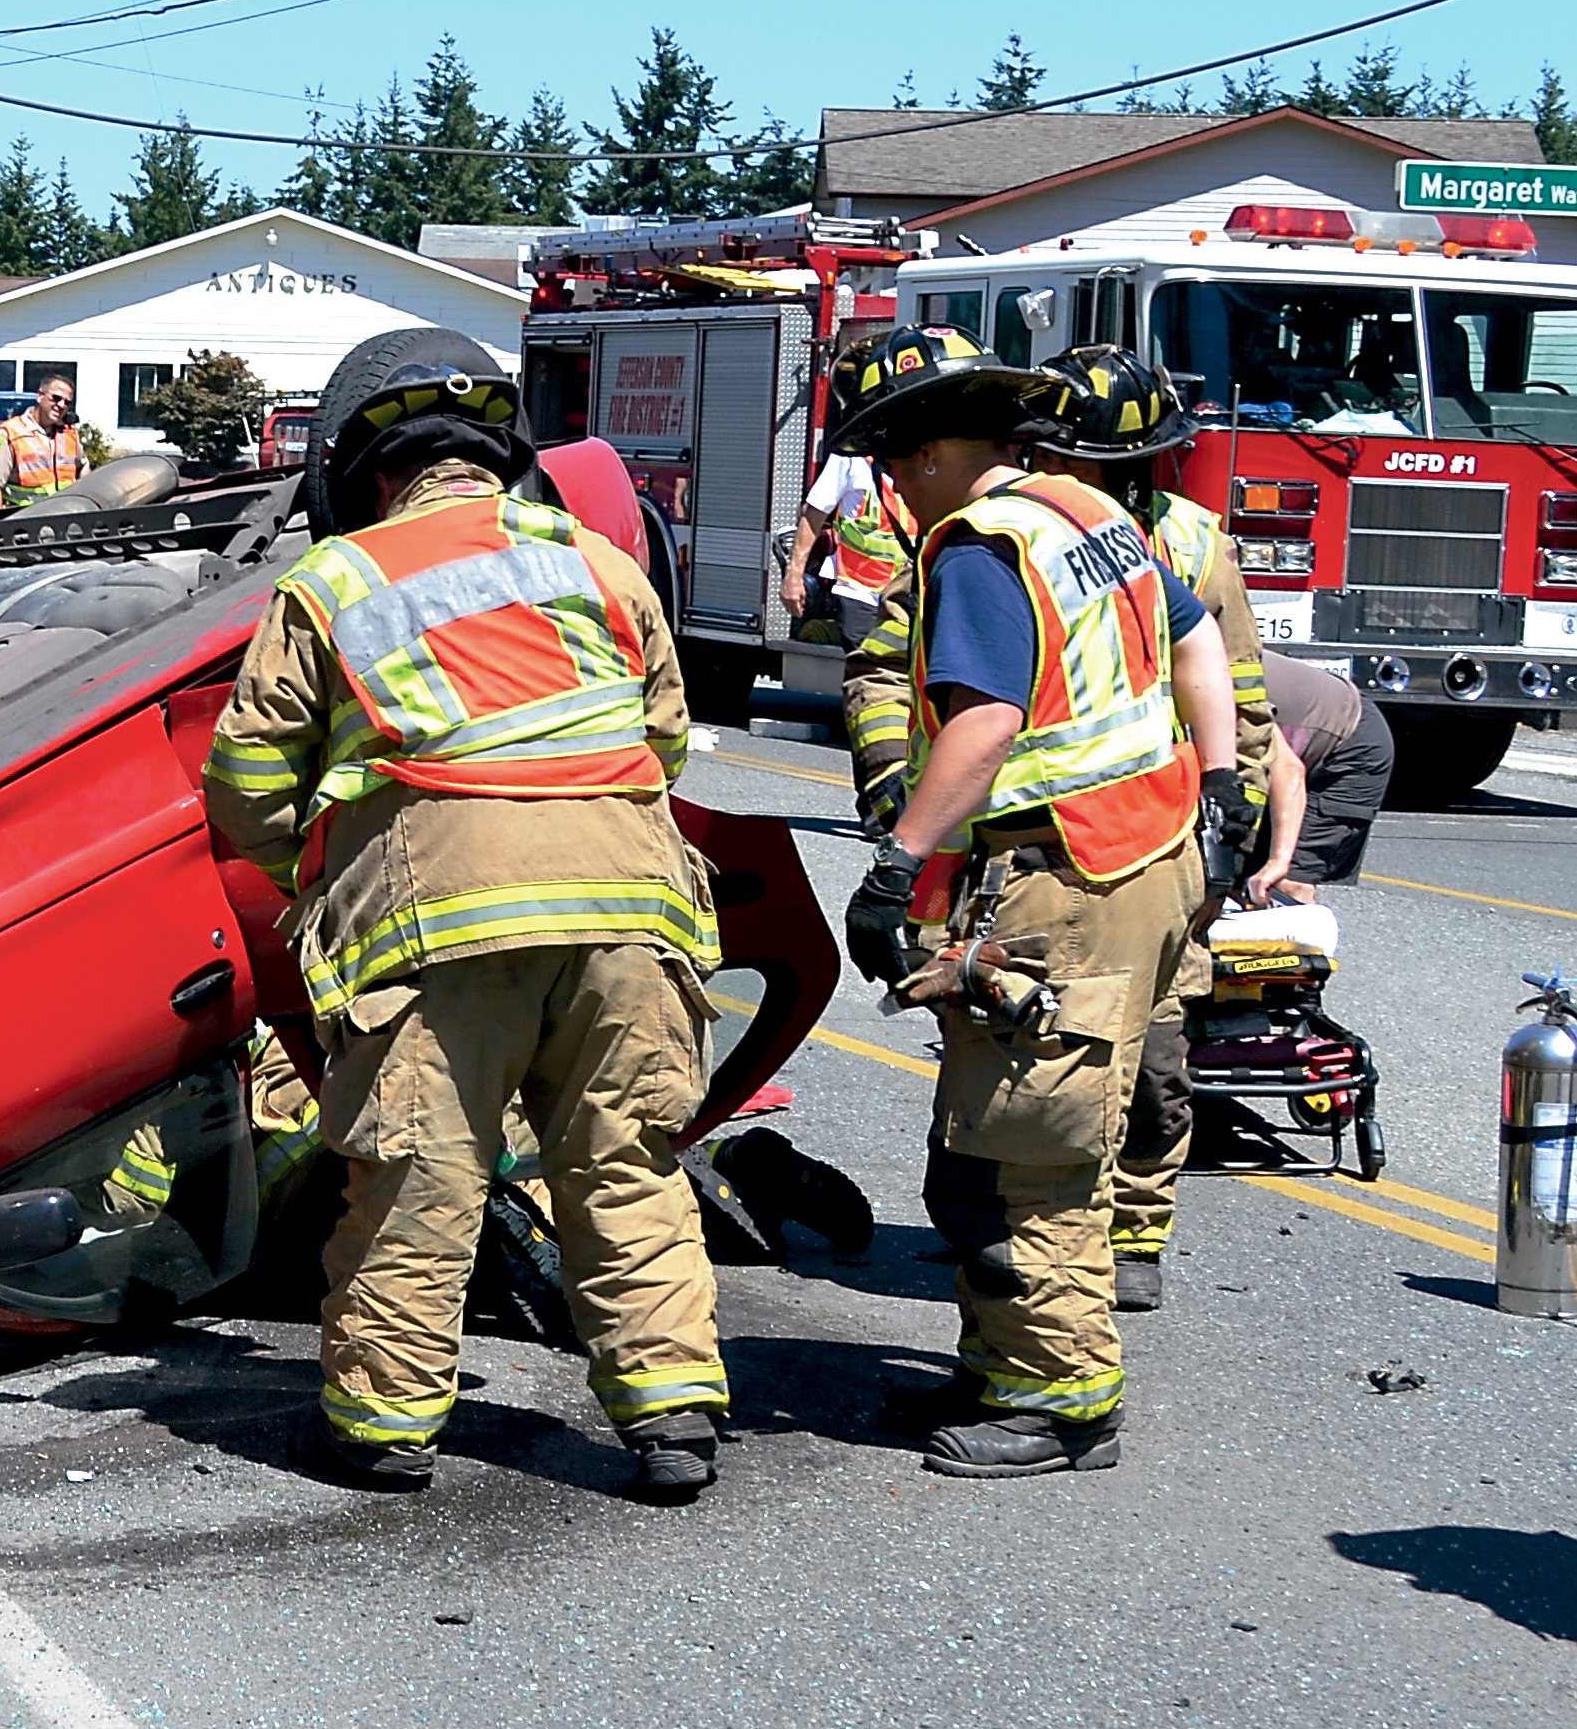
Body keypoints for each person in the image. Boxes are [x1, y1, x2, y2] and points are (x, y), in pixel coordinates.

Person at [202, 349, 729, 1504]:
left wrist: (326, 862)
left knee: (419, 1179)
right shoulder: (597, 563)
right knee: (625, 1161)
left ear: (361, 473)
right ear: (504, 459)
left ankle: (383, 1428)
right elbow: (665, 739)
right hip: (631, 910)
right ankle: (672, 1412)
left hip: (438, 926)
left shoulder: (335, 581)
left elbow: (243, 779)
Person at [828, 327, 1245, 1479]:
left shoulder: (978, 548)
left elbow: (986, 723)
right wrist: (1218, 780)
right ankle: (1000, 1363)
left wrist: (894, 860)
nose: (886, 486)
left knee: (1027, 1149)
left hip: (1064, 875)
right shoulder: (1086, 511)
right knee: (1038, 1131)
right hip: (1152, 856)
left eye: (889, 461)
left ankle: (1059, 1401)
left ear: (925, 457)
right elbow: (1197, 634)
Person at [1026, 347, 1271, 1313]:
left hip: (1166, 836)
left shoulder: (1194, 544)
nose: (1108, 485)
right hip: (1050, 839)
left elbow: (1240, 687)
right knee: (1034, 1048)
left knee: (1157, 1054)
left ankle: (1133, 1231)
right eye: (1084, 465)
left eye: (1130, 467)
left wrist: (1233, 813)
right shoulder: (1011, 533)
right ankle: (1035, 1229)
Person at [1249, 651, 1395, 897]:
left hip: (1348, 746)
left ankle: (1299, 919)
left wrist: (1279, 861)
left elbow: (1288, 770)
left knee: (1285, 882)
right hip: (1300, 745)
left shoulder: (1215, 684)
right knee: (1238, 876)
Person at [786, 446, 915, 647]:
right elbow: (814, 515)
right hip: (860, 594)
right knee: (869, 667)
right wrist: (793, 576)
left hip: (906, 595)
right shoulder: (851, 458)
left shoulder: (926, 462)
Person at [0, 377, 89, 511]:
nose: (61, 405)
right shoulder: (11, 432)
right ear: (40, 396)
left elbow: (84, 471)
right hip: (24, 523)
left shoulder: (69, 434)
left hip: (65, 520)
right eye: (56, 398)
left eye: (67, 402)